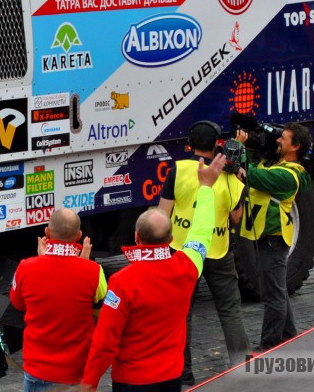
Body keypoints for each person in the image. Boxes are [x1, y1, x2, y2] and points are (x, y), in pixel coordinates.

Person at [80, 155, 225, 392]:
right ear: (170, 240)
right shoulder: (187, 267)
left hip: (131, 381)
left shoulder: (121, 282)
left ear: (136, 238)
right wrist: (206, 188)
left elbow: (105, 341)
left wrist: (89, 383)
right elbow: (202, 232)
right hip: (171, 377)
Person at [157, 122, 249, 383]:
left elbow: (163, 214)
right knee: (230, 310)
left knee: (182, 312)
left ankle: (183, 372)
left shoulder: (179, 169)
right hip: (218, 250)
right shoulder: (230, 175)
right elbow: (235, 218)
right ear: (217, 144)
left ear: (190, 143)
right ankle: (240, 366)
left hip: (183, 252)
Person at [10, 208, 107, 392]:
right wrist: (85, 262)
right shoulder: (94, 271)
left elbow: (19, 303)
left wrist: (42, 259)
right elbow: (100, 307)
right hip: (77, 372)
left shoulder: (25, 268)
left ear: (47, 232)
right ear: (78, 236)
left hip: (37, 370)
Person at [237, 123, 312, 352]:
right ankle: (289, 336)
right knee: (276, 290)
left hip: (274, 239)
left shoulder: (288, 175)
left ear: (295, 147)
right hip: (266, 236)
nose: (279, 140)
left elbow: (254, 175)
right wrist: (252, 146)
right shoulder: (279, 164)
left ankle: (268, 345)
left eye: (285, 138)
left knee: (273, 296)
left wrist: (239, 149)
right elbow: (258, 165)